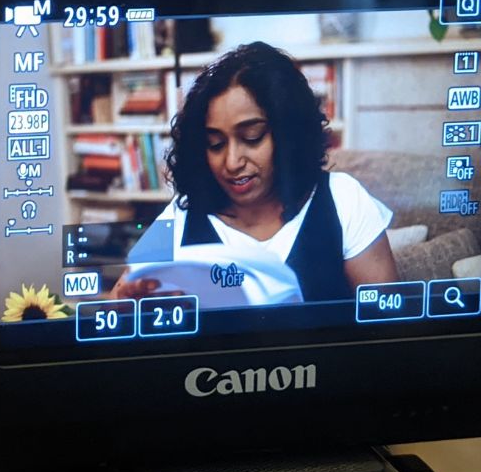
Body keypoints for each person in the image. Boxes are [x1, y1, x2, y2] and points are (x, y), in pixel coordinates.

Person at [113, 41, 399, 307]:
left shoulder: (344, 199)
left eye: (252, 137)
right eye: (216, 144)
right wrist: (131, 304)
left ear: (288, 134)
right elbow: (119, 304)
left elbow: (387, 322)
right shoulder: (180, 216)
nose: (232, 162)